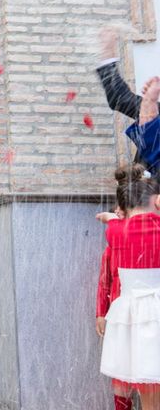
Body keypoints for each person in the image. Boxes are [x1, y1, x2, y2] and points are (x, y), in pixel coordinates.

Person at [97, 164, 160, 410]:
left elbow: (125, 226)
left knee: (146, 381)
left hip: (133, 316)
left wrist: (112, 218)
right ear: (155, 200)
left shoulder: (116, 232)